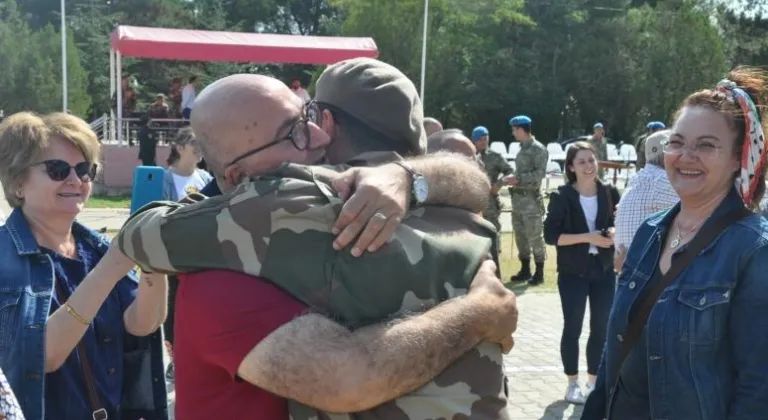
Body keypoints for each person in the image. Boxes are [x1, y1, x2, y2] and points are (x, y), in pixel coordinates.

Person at [114, 61, 517, 419]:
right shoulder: (460, 212)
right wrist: (480, 312)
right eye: (295, 131)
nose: (315, 138)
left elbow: (140, 233)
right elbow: (475, 181)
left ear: (327, 120)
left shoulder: (288, 208)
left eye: (307, 119)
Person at [582, 67, 768, 419]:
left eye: (706, 146)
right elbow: (616, 344)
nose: (686, 156)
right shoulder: (650, 231)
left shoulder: (754, 251)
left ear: (736, 160)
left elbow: (759, 386)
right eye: (678, 142)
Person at [0, 112, 168, 420]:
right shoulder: (3, 259)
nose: (76, 180)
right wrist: (110, 268)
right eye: (58, 169)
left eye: (85, 169)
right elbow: (42, 356)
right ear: (18, 182)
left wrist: (153, 264)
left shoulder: (97, 249)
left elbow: (141, 324)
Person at [544, 141, 620, 404]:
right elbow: (551, 236)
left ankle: (593, 382)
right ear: (571, 167)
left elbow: (618, 225)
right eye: (582, 162)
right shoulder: (562, 196)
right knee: (573, 327)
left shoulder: (610, 192)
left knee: (600, 327)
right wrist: (589, 237)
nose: (589, 166)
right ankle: (572, 383)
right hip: (573, 272)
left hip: (604, 270)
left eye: (591, 160)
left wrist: (612, 232)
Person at [613, 129, 679, 271]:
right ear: (665, 155)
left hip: (632, 267)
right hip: (648, 270)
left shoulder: (638, 179)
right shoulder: (663, 181)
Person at [507, 115, 549, 285]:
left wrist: (519, 179)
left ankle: (539, 272)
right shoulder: (522, 148)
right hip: (518, 201)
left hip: (531, 201)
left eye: (514, 129)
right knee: (521, 237)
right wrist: (514, 178)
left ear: (521, 129)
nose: (513, 133)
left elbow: (540, 175)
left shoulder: (538, 149)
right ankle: (525, 269)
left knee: (535, 237)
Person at [473, 125, 514, 251]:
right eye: (480, 139)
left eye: (486, 139)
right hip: (471, 201)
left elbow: (511, 171)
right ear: (474, 140)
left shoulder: (495, 157)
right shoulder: (467, 156)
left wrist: (499, 184)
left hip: (489, 202)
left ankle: (495, 259)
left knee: (493, 231)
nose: (484, 142)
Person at [162, 127, 213, 201]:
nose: (200, 146)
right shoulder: (164, 181)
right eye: (194, 142)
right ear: (180, 148)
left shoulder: (206, 178)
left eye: (201, 142)